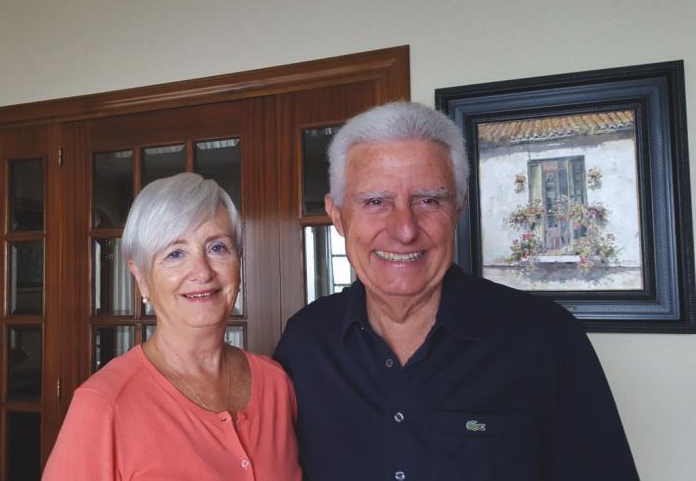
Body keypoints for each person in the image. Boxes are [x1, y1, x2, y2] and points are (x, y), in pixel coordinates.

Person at [273, 102, 638, 480]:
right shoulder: (306, 341)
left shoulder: (548, 339)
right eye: (376, 202)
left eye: (428, 200)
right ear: (337, 216)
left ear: (459, 209)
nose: (405, 230)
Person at [43, 173, 301, 480]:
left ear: (239, 262)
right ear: (141, 277)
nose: (202, 272)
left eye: (218, 248)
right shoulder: (103, 404)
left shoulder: (277, 383)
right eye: (175, 253)